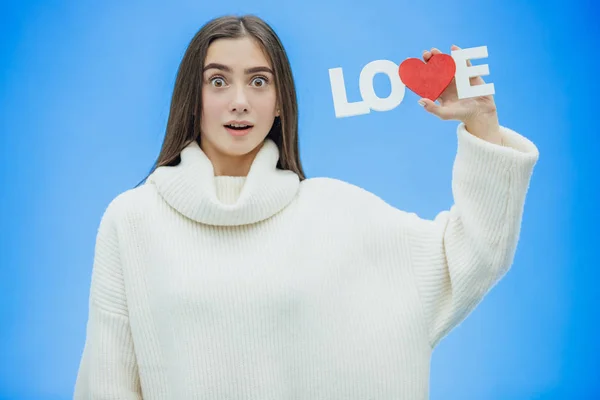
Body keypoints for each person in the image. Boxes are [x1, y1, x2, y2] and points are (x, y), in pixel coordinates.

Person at [73, 14, 539, 400]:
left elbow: (472, 254)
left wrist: (482, 121)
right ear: (192, 99)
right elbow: (107, 385)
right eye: (218, 81)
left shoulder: (338, 214)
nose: (239, 102)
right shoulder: (133, 220)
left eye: (259, 82)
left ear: (279, 103)